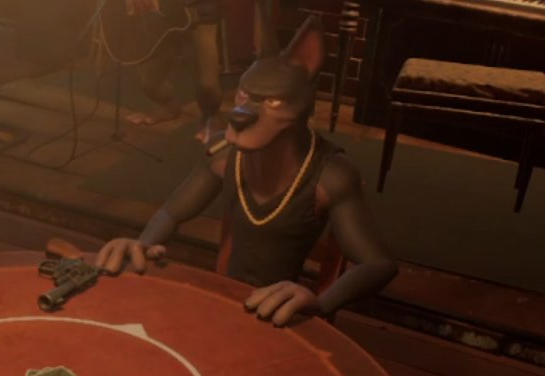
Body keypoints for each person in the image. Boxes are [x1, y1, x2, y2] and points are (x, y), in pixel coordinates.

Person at [98, 8, 397, 327]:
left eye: (272, 102)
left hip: (282, 316)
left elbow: (379, 264)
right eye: (245, 96)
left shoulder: (330, 175)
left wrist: (319, 303)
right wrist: (143, 243)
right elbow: (171, 213)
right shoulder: (224, 157)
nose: (245, 113)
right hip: (224, 304)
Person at [123, 0, 224, 143]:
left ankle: (213, 116)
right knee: (149, 80)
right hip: (162, 12)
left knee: (207, 84)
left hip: (198, 9)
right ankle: (168, 106)